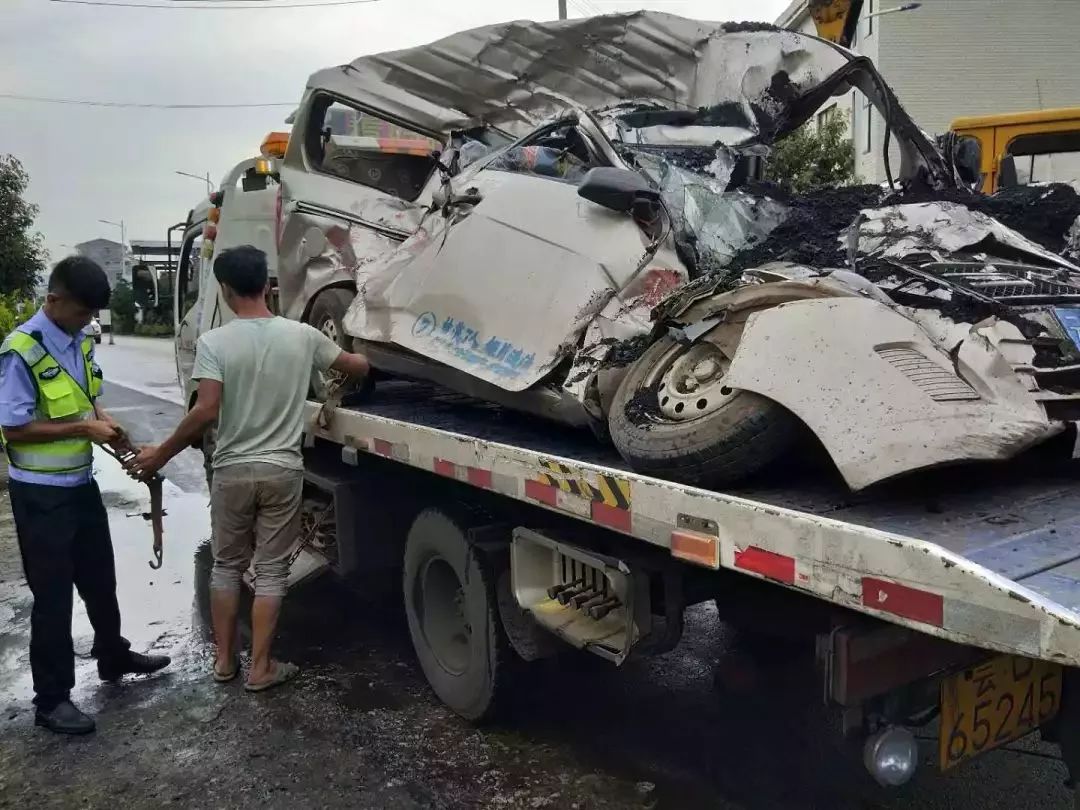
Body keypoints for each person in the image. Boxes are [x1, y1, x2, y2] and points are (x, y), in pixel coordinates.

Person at [130, 245, 368, 692]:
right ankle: (260, 668)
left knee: (226, 567)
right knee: (272, 572)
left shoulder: (213, 343)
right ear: (267, 286)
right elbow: (356, 365)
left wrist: (160, 454)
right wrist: (355, 366)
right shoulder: (302, 336)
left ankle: (224, 662)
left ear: (223, 289)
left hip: (232, 472)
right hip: (283, 470)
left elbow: (206, 411)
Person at [0, 256, 171, 735]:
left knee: (101, 580)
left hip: (80, 486)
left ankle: (113, 657)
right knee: (53, 598)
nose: (87, 322)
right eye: (80, 313)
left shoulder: (78, 340)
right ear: (53, 300)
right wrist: (83, 426)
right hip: (40, 496)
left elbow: (86, 392)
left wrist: (109, 428)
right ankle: (51, 700)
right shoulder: (22, 351)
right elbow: (13, 429)